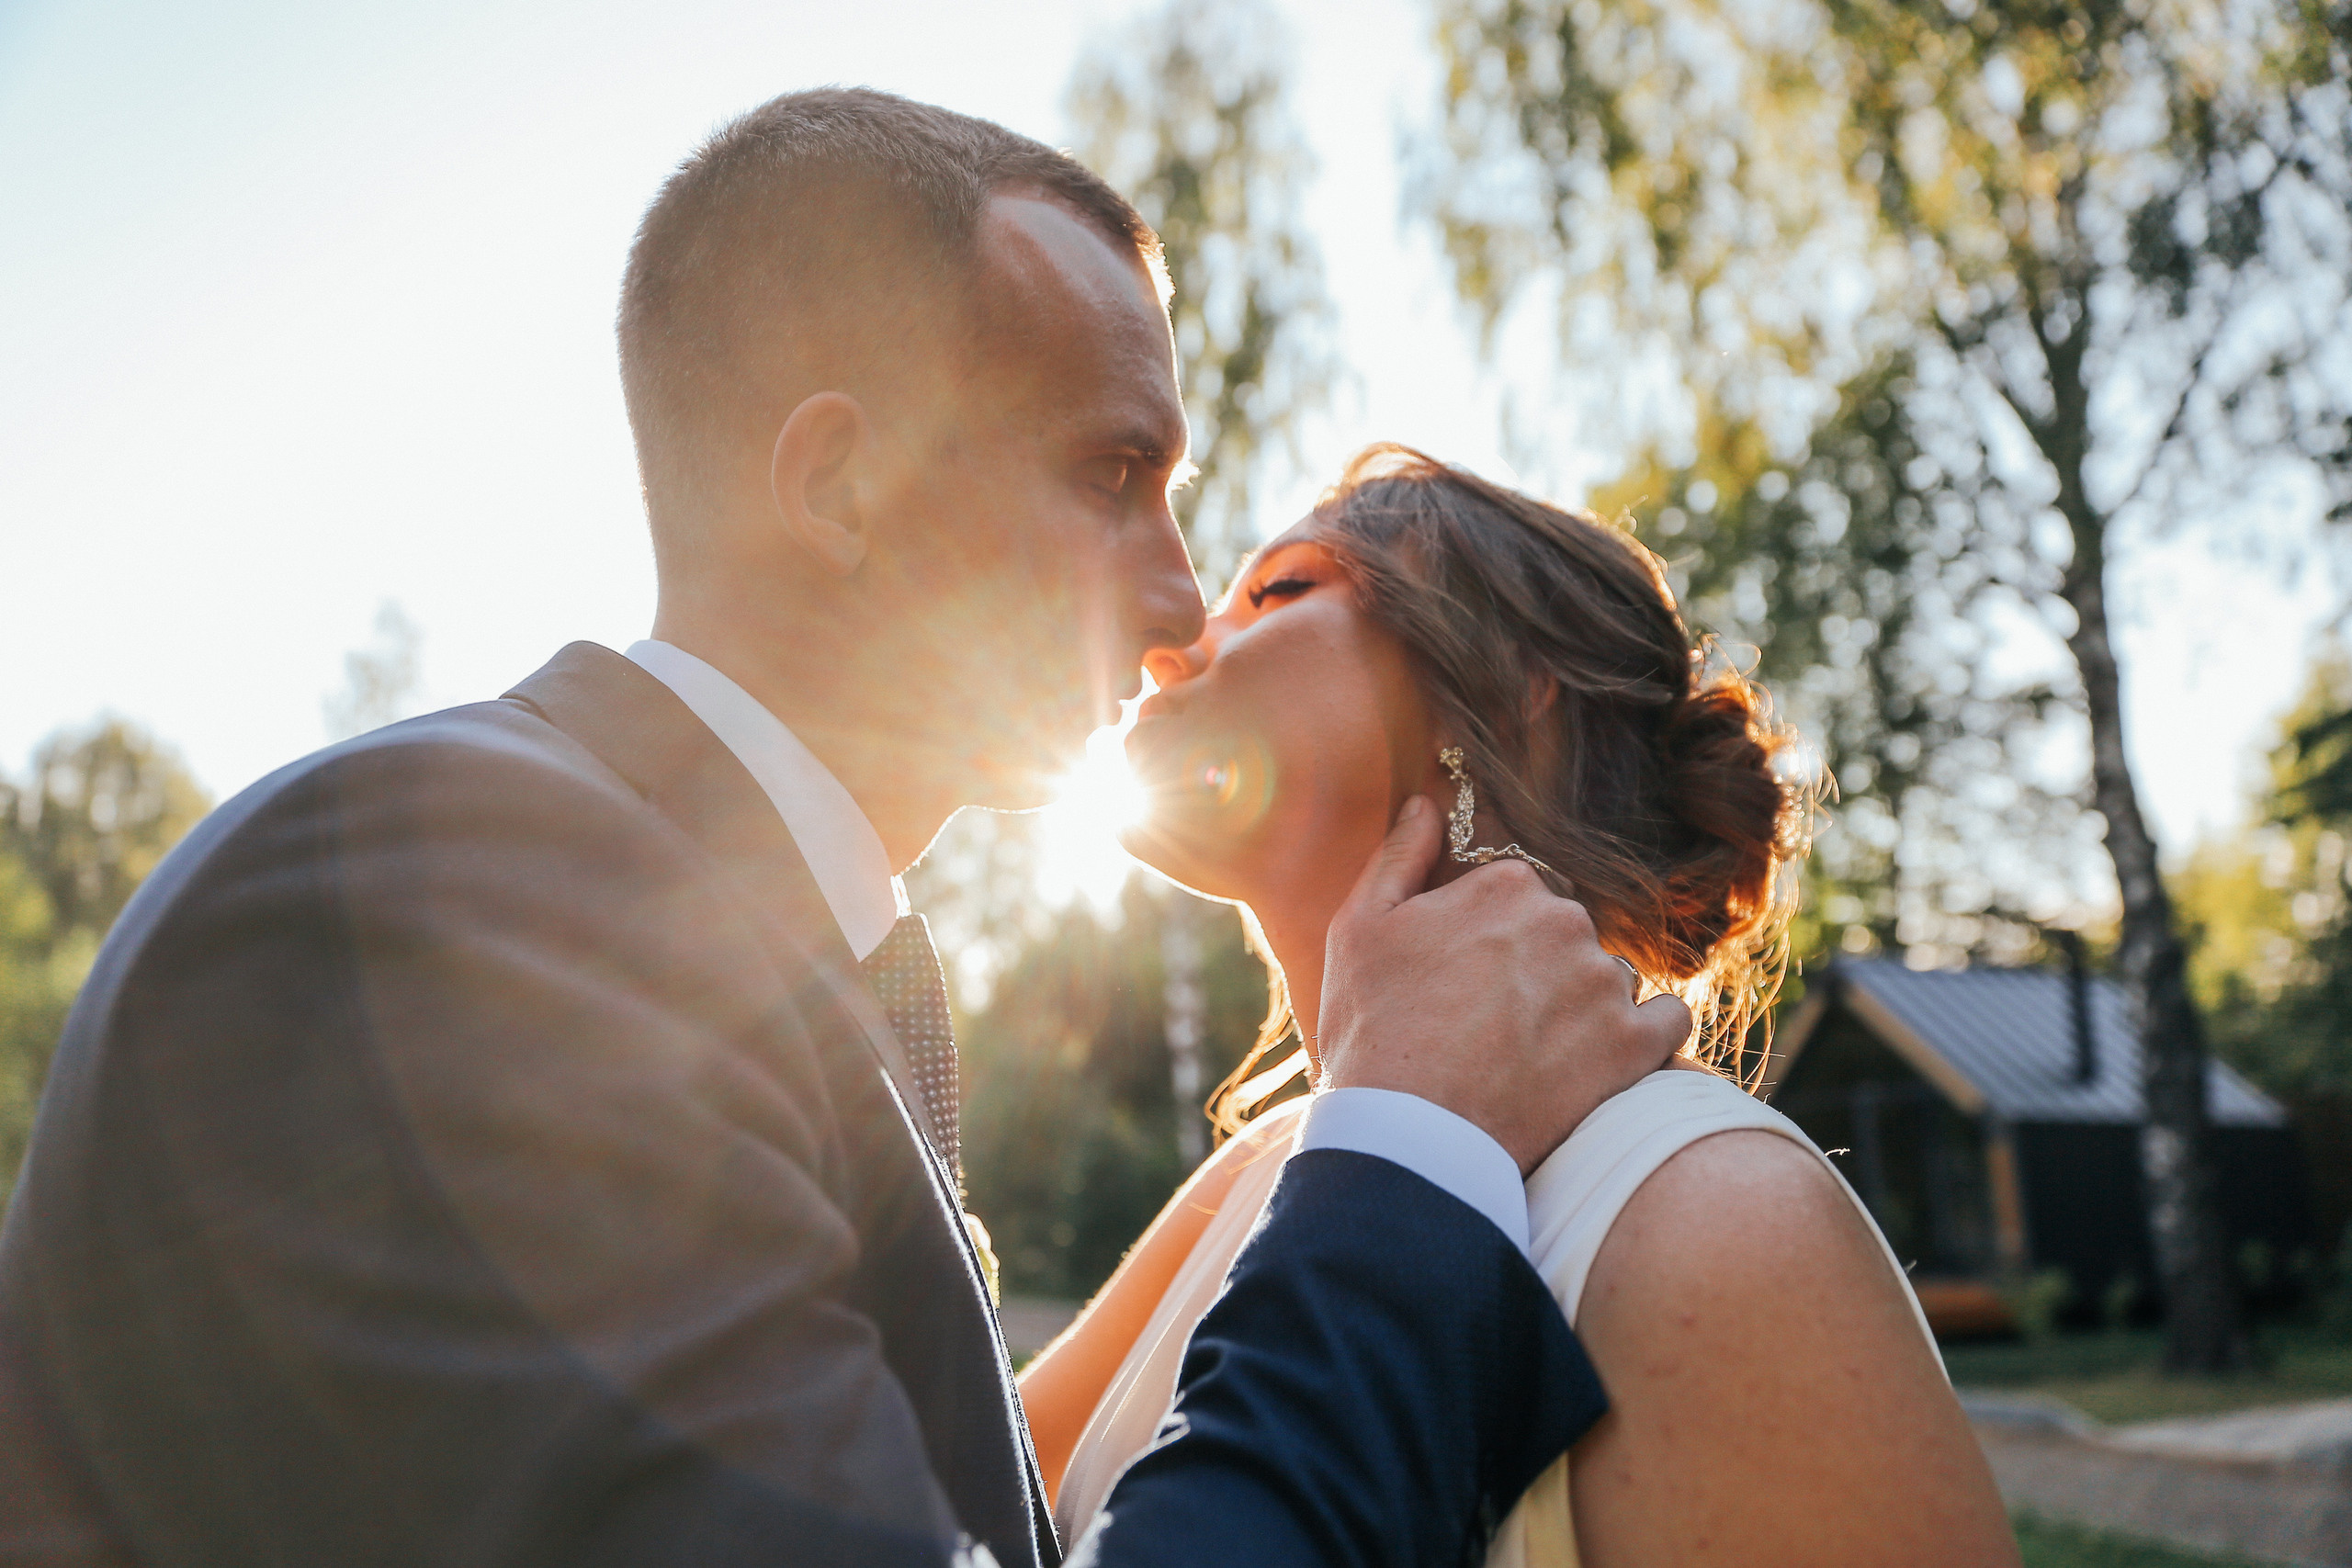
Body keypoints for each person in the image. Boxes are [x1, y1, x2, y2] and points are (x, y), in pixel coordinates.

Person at [0, 93, 1690, 1567]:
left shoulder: (747, 957)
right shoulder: (457, 910)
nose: (1183, 606)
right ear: (834, 487)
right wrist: (1406, 1149)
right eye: (1113, 475)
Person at [1022, 447, 2021, 1567]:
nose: (1171, 645)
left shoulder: (1719, 1223)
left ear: (1503, 681)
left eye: (1280, 590)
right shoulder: (1275, 1165)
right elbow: (959, 1490)